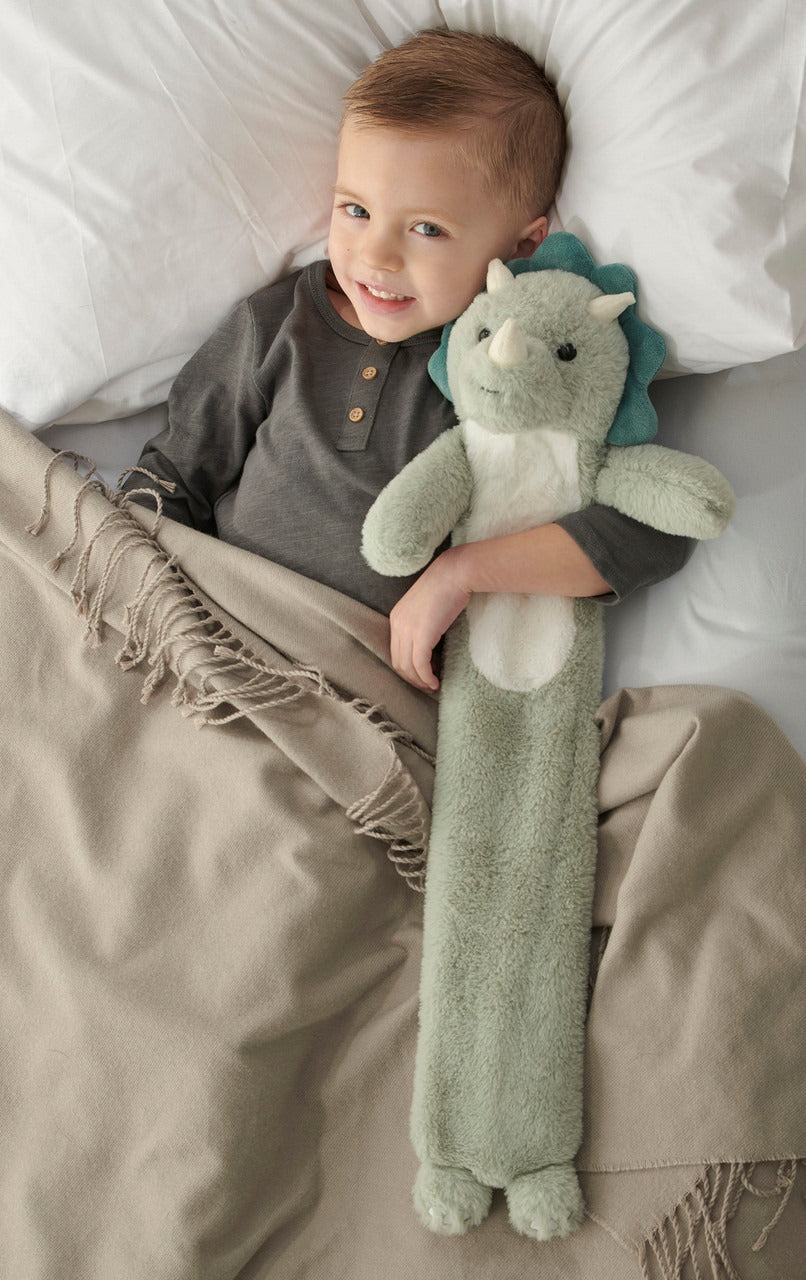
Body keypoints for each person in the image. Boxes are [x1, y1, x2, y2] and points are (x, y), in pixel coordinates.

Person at [124, 28, 691, 693]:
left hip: (354, 685)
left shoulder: (519, 374)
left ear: (524, 245)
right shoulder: (278, 323)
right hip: (204, 623)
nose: (376, 256)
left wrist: (462, 572)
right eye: (356, 210)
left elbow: (651, 530)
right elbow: (171, 478)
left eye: (427, 228)